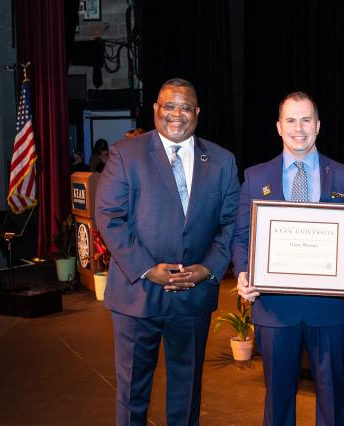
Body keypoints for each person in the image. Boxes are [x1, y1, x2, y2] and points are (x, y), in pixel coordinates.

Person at [95, 77, 240, 425]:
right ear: (156, 109)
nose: (177, 114)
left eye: (185, 107)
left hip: (193, 296)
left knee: (186, 395)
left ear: (197, 112)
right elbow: (109, 217)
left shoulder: (222, 161)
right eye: (169, 106)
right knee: (131, 397)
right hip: (136, 295)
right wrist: (148, 269)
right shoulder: (125, 154)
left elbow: (232, 223)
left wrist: (208, 268)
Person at [232, 91, 344, 425]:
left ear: (318, 125)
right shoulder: (255, 177)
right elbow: (242, 237)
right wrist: (242, 271)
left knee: (333, 399)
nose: (300, 128)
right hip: (275, 308)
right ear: (279, 127)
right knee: (278, 400)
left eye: (306, 119)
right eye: (292, 120)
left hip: (330, 308)